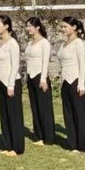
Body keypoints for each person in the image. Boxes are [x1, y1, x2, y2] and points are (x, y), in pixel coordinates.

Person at [58, 17, 85, 153]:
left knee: (79, 113)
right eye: (61, 27)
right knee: (68, 113)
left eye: (65, 27)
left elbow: (83, 64)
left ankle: (83, 144)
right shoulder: (63, 44)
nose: (63, 29)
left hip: (76, 81)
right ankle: (72, 143)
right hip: (65, 82)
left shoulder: (79, 43)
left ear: (74, 27)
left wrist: (82, 83)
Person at [0, 15, 24, 156]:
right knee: (4, 115)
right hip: (0, 83)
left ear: (6, 26)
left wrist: (11, 85)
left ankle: (17, 147)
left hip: (12, 83)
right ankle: (8, 144)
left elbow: (15, 65)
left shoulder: (13, 44)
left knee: (13, 115)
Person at [24, 18, 55, 147]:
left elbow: (45, 62)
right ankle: (39, 134)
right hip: (31, 77)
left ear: (37, 27)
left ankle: (48, 136)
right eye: (27, 26)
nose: (28, 29)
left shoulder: (44, 43)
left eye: (30, 26)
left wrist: (43, 79)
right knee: (35, 106)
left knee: (44, 107)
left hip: (40, 77)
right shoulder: (29, 43)